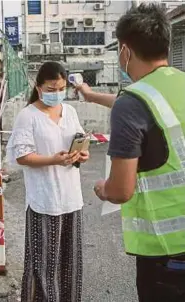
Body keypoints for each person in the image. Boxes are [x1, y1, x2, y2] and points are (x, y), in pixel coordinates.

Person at [76, 4, 185, 301]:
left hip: (167, 254)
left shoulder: (133, 103)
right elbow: (142, 107)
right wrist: (90, 95)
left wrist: (103, 188)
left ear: (125, 51)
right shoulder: (176, 85)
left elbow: (122, 190)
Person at [7, 61, 89, 301]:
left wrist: (81, 154)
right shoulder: (28, 115)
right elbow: (22, 156)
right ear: (39, 86)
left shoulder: (70, 112)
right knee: (42, 265)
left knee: (70, 263)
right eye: (51, 89)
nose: (57, 93)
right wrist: (53, 159)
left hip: (71, 199)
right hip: (44, 200)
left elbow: (81, 141)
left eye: (61, 88)